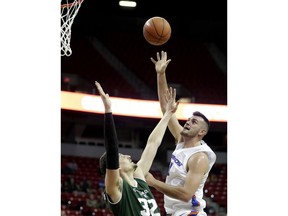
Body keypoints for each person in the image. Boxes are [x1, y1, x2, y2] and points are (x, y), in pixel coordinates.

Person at [145, 51, 217, 216]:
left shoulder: (199, 157)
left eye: (194, 122)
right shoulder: (181, 140)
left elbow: (185, 195)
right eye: (189, 119)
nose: (188, 122)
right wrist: (161, 74)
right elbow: (166, 110)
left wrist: (153, 182)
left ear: (202, 132)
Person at [95, 81, 179, 216]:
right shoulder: (116, 189)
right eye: (122, 156)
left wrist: (168, 114)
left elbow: (153, 143)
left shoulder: (139, 178)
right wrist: (108, 110)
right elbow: (112, 149)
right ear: (116, 167)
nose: (128, 156)